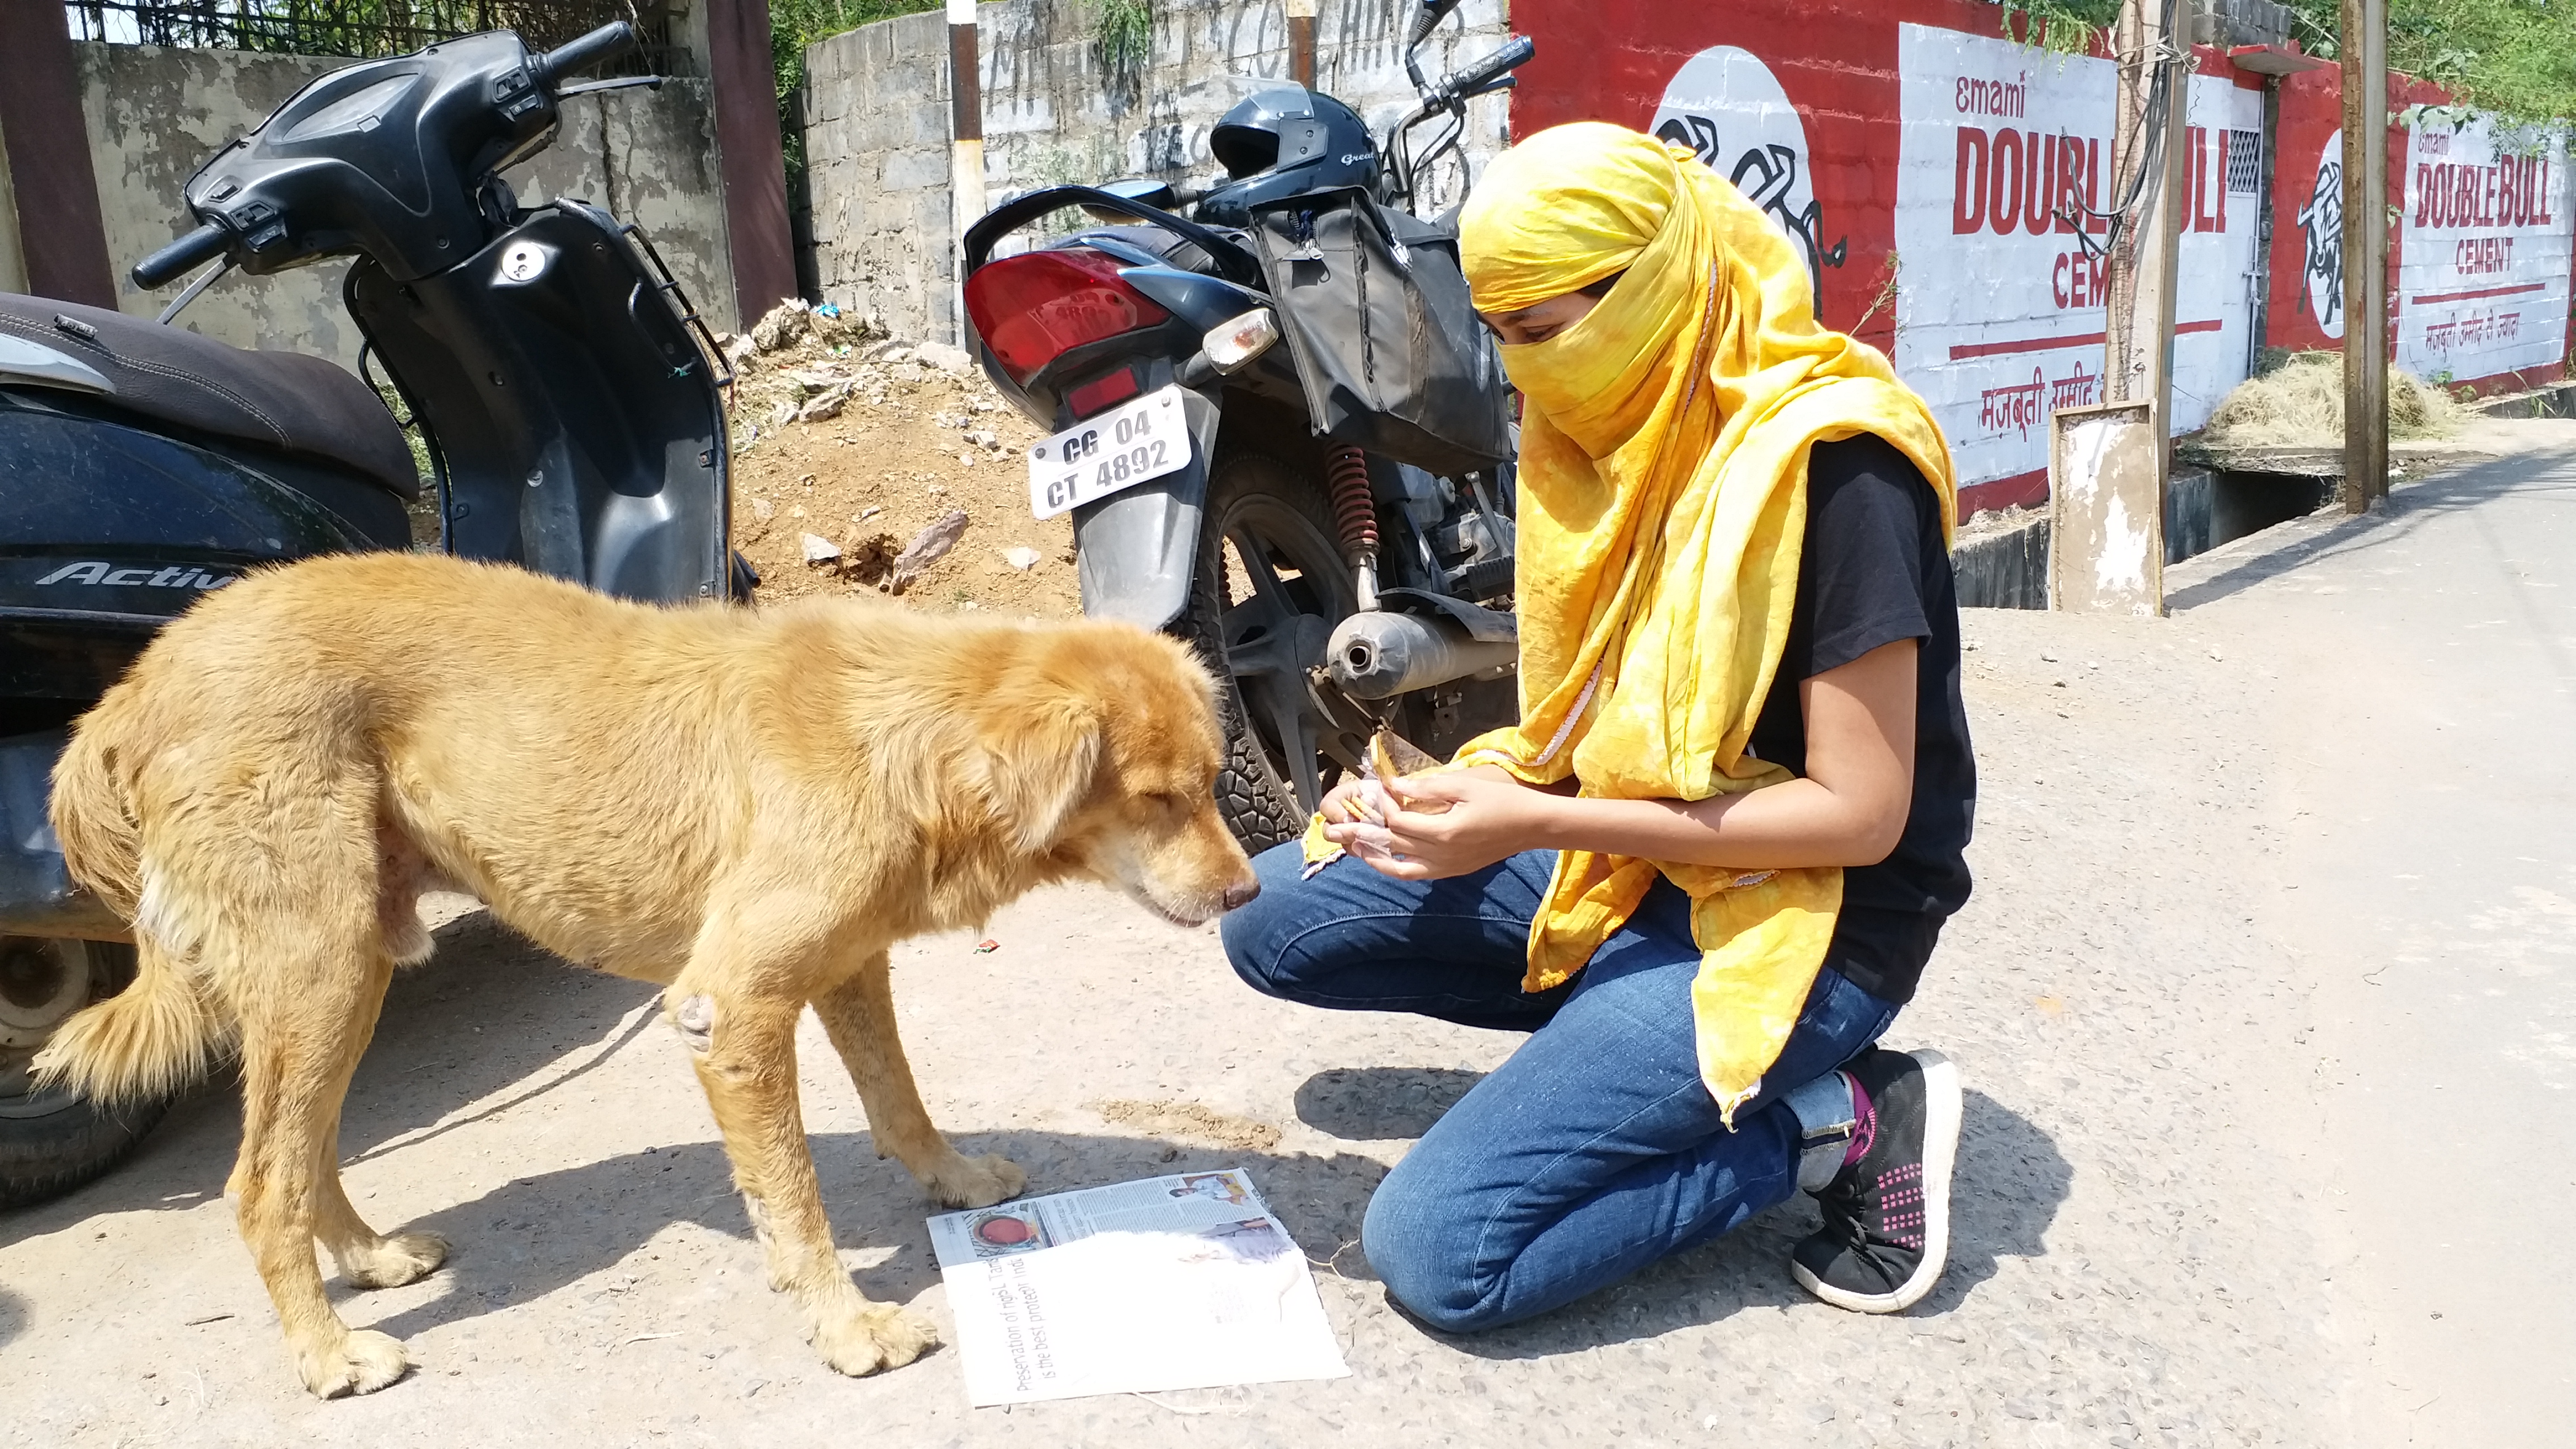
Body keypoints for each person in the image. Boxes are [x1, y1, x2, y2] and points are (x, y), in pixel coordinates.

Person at [1219, 122, 1977, 1333]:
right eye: (1501, 335)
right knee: (1272, 918)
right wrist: (1425, 793)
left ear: (1660, 280)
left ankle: (1835, 1119)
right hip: (1644, 861)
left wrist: (1534, 820)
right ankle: (1631, 1054)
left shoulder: (1840, 467)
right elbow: (1592, 713)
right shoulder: (1613, 426)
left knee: (1437, 1254)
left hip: (1820, 914)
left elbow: (1865, 816)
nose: (1528, 376)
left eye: (1549, 328)